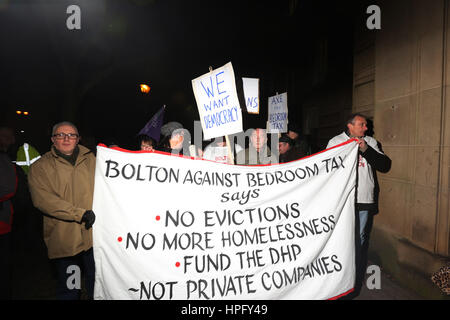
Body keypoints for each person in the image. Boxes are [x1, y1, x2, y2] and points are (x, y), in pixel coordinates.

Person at [28, 121, 97, 300]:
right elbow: (43, 200)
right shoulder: (40, 167)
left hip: (93, 239)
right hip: (66, 241)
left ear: (78, 139)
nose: (66, 138)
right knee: (70, 288)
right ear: (53, 139)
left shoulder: (92, 160)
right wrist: (79, 214)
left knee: (96, 284)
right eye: (61, 135)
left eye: (71, 135)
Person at [326, 113, 391, 296]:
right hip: (343, 200)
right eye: (362, 125)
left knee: (360, 242)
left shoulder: (370, 141)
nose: (365, 128)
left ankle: (353, 283)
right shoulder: (335, 141)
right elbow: (327, 168)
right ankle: (339, 279)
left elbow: (384, 165)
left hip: (364, 199)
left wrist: (365, 149)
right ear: (350, 126)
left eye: (365, 125)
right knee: (342, 240)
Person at [0, 127, 17, 300]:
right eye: (4, 136)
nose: (9, 140)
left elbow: (9, 187)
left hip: (4, 222)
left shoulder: (7, 158)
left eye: (9, 137)